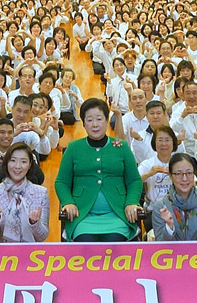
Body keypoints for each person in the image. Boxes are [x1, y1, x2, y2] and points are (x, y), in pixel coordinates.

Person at [53, 98, 143, 242]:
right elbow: (61, 182)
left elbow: (134, 180)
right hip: (82, 215)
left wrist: (131, 202)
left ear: (107, 120)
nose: (95, 124)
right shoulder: (73, 148)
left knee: (115, 241)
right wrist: (68, 202)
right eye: (89, 120)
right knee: (85, 242)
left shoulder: (121, 146)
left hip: (118, 213)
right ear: (83, 123)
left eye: (99, 119)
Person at [0, 142, 50, 243]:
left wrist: (34, 223)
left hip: (31, 254)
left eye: (23, 162)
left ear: (30, 164)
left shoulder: (41, 193)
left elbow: (43, 236)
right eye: (13, 161)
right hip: (2, 255)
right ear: (6, 163)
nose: (17, 166)